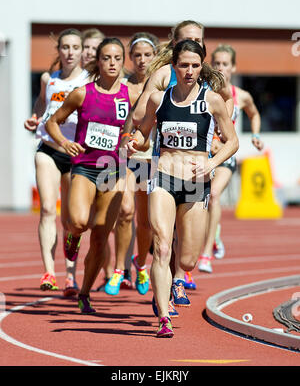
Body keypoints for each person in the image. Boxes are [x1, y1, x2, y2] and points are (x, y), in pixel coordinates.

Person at [126, 39, 239, 337]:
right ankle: (164, 316)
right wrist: (134, 142)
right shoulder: (159, 99)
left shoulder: (212, 100)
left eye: (195, 65)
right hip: (163, 178)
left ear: (202, 67)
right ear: (173, 66)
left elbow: (233, 142)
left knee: (187, 258)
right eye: (184, 65)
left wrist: (212, 164)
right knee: (162, 246)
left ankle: (178, 279)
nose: (189, 70)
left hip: (195, 184)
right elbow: (144, 135)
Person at [45, 37, 136, 314]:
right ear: (98, 61)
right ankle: (71, 236)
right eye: (106, 58)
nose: (112, 63)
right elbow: (52, 121)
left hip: (113, 169)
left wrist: (132, 140)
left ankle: (84, 294)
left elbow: (141, 126)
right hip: (84, 166)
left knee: (99, 237)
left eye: (117, 58)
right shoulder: (81, 93)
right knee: (79, 222)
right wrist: (64, 142)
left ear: (123, 62)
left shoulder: (131, 94)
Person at [24, 28, 89, 296]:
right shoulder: (48, 79)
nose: (70, 52)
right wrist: (34, 118)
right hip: (49, 149)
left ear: (83, 51)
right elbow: (42, 104)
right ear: (59, 51)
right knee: (48, 210)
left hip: (77, 154)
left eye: (75, 47)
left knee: (73, 220)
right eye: (65, 47)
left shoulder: (90, 80)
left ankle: (71, 275)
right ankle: (49, 271)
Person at [102, 31, 160, 296]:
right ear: (130, 58)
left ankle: (141, 264)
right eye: (136, 55)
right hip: (125, 157)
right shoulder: (122, 86)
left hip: (153, 159)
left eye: (147, 55)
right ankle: (118, 269)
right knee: (125, 212)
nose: (142, 60)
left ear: (156, 56)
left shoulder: (163, 86)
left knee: (146, 222)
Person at [198, 43, 264, 273]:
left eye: (225, 64)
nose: (221, 68)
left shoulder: (241, 96)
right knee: (200, 202)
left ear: (233, 67)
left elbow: (254, 114)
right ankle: (213, 232)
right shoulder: (203, 91)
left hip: (226, 156)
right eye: (216, 63)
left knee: (214, 194)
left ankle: (206, 255)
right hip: (204, 154)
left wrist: (255, 135)